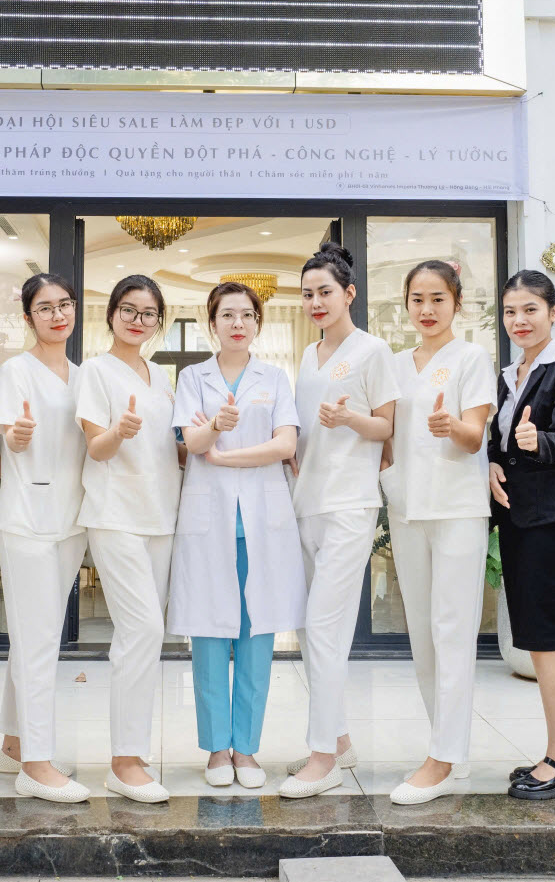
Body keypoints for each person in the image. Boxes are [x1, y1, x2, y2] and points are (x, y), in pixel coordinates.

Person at [171, 282, 305, 790]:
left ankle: (246, 749)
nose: (238, 323)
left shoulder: (275, 378)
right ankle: (216, 749)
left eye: (247, 315)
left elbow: (285, 444)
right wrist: (216, 426)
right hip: (210, 522)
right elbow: (191, 441)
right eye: (227, 315)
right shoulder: (193, 377)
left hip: (261, 524)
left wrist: (224, 455)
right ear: (213, 323)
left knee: (256, 636)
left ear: (257, 324)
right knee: (209, 635)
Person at [280, 242, 400, 799]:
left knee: (326, 626)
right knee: (310, 629)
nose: (316, 302)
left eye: (325, 292)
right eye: (307, 294)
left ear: (349, 293)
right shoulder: (308, 356)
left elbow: (386, 429)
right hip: (306, 500)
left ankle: (322, 758)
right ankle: (340, 739)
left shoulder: (374, 350)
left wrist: (350, 418)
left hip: (350, 503)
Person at [379, 260, 495, 805]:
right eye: (417, 300)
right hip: (408, 508)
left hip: (456, 510)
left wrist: (453, 428)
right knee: (423, 636)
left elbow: (475, 436)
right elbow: (384, 432)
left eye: (438, 299)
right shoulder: (394, 364)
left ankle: (442, 760)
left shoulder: (471, 358)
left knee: (452, 631)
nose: (426, 310)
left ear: (456, 303)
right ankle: (449, 749)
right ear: (406, 304)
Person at [487, 269, 555, 800]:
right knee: (548, 636)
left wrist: (537, 440)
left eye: (530, 309)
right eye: (511, 311)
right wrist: (493, 460)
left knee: (545, 641)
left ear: (553, 312)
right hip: (517, 518)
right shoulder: (507, 375)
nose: (520, 320)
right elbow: (497, 440)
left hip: (550, 519)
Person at [76, 274, 182, 803]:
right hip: (115, 513)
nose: (138, 320)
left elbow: (171, 448)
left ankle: (135, 752)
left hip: (161, 515)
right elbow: (96, 447)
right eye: (129, 310)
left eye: (149, 313)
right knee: (141, 629)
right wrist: (119, 431)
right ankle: (123, 761)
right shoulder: (95, 371)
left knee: (146, 636)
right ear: (112, 313)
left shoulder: (161, 376)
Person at [0, 274, 90, 804]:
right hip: (28, 517)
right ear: (29, 316)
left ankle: (14, 745)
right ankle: (36, 763)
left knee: (41, 635)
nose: (58, 315)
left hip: (71, 518)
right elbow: (10, 435)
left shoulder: (83, 374)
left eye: (65, 305)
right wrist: (18, 435)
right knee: (36, 641)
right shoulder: (17, 370)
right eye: (46, 307)